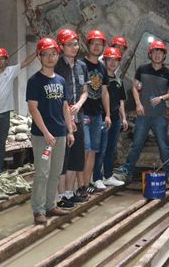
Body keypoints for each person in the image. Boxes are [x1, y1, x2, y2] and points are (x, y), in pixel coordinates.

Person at [113, 40, 169, 186]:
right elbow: (135, 88)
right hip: (143, 115)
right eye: (154, 51)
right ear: (150, 54)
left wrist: (161, 98)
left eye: (160, 52)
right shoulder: (142, 69)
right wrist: (138, 104)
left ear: (164, 55)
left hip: (159, 116)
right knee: (136, 144)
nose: (157, 54)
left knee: (164, 146)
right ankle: (127, 170)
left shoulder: (168, 73)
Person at [26, 38, 74, 225]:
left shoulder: (61, 80)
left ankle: (50, 205)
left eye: (53, 53)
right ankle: (38, 210)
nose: (50, 57)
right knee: (42, 173)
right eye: (45, 54)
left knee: (55, 172)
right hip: (43, 136)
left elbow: (65, 107)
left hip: (60, 134)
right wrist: (46, 133)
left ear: (57, 55)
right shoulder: (34, 81)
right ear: (39, 57)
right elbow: (33, 109)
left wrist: (69, 130)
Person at [0, 47, 37, 179]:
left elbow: (25, 63)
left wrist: (36, 53)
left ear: (6, 60)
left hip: (5, 113)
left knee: (1, 142)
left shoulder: (10, 71)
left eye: (2, 59)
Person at [55, 29, 89, 208]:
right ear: (61, 47)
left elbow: (85, 91)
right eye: (69, 44)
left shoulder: (82, 66)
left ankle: (70, 192)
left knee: (76, 156)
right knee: (62, 157)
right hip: (61, 118)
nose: (74, 47)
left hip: (78, 116)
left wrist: (79, 105)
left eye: (76, 44)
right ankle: (60, 195)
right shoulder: (56, 66)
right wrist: (67, 108)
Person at [93, 47, 128, 187]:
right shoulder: (99, 77)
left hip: (115, 119)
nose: (113, 63)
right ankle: (96, 178)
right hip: (102, 118)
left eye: (115, 60)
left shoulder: (118, 80)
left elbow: (121, 101)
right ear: (105, 60)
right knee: (101, 149)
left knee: (111, 149)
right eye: (110, 60)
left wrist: (123, 118)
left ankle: (108, 175)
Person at [82, 30, 112, 192]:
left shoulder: (102, 68)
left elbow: (105, 92)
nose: (96, 47)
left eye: (99, 44)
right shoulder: (81, 65)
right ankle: (78, 186)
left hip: (97, 114)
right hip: (83, 113)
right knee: (85, 149)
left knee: (93, 150)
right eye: (93, 43)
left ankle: (86, 185)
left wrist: (107, 114)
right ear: (88, 45)